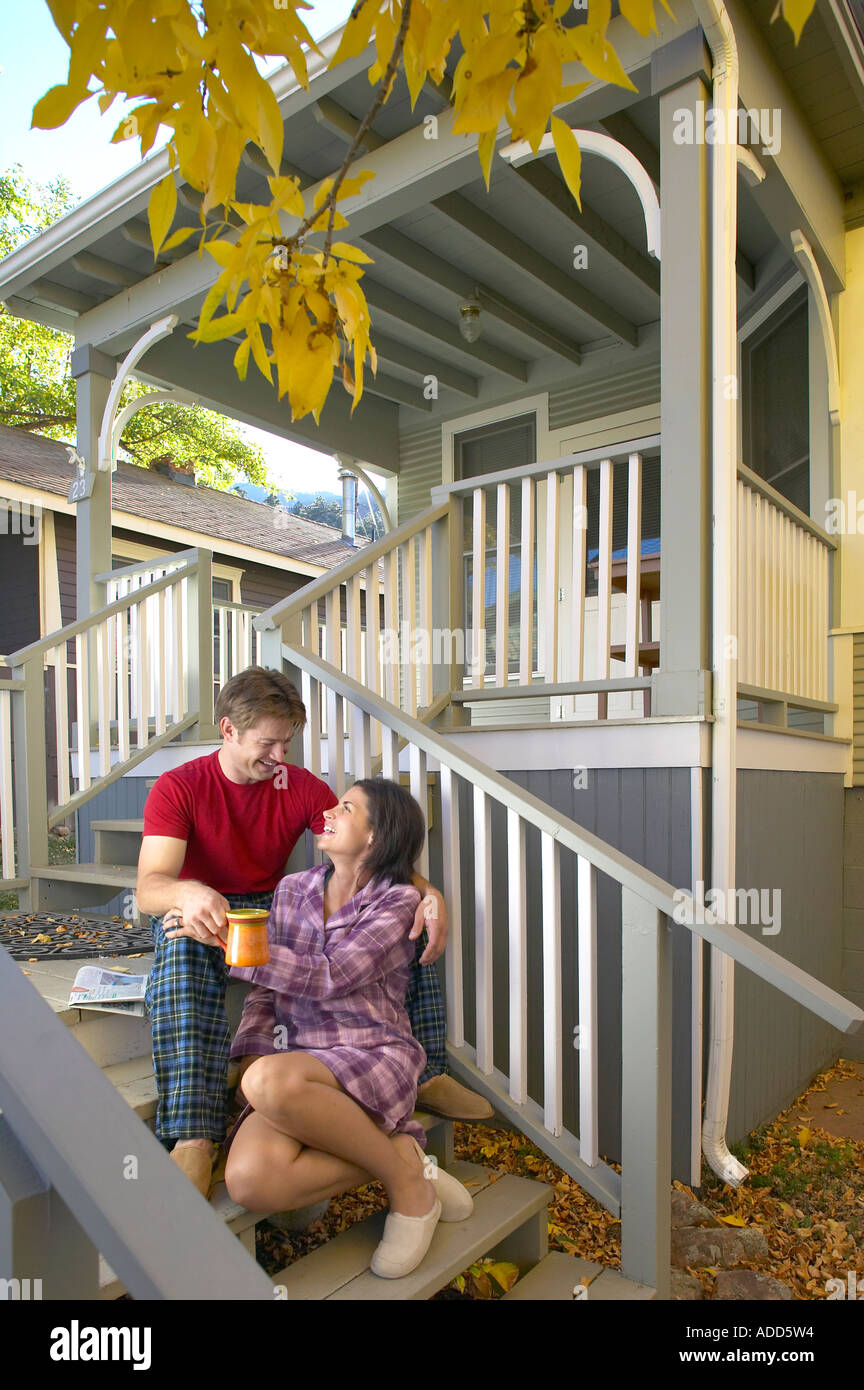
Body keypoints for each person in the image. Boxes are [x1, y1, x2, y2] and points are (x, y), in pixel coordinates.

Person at [138, 666, 491, 1198]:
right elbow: (150, 886)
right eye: (268, 743)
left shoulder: (298, 786)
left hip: (272, 901)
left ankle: (426, 1072)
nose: (281, 757)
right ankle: (193, 1134)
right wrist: (187, 894)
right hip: (202, 906)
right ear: (228, 730)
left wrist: (429, 894)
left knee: (410, 921)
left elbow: (372, 848)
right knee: (180, 955)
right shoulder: (180, 787)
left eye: (287, 743)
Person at [220, 779, 474, 1279]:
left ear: (376, 836)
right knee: (250, 1182)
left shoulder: (399, 903)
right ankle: (401, 1157)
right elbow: (265, 994)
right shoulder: (293, 890)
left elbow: (332, 975)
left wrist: (234, 942)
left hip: (372, 1053)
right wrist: (252, 1049)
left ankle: (410, 1194)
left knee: (269, 1080)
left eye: (346, 807)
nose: (328, 813)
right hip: (300, 1065)